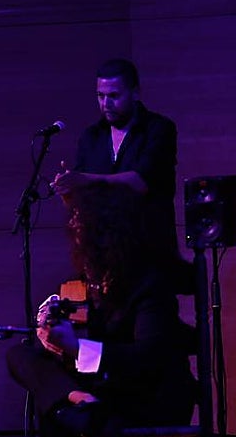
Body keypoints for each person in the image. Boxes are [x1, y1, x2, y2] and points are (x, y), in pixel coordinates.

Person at [5, 183, 196, 437]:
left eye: (81, 224)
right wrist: (54, 332)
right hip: (109, 390)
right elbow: (97, 343)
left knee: (53, 405)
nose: (74, 231)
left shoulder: (149, 284)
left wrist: (76, 348)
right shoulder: (101, 278)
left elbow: (147, 358)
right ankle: (73, 399)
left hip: (152, 396)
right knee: (22, 355)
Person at [52, 57, 190, 287]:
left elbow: (140, 182)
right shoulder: (91, 137)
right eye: (100, 96)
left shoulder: (159, 129)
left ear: (135, 93)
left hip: (150, 257)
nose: (106, 104)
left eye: (114, 96)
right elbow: (83, 201)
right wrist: (68, 190)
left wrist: (84, 180)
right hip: (103, 261)